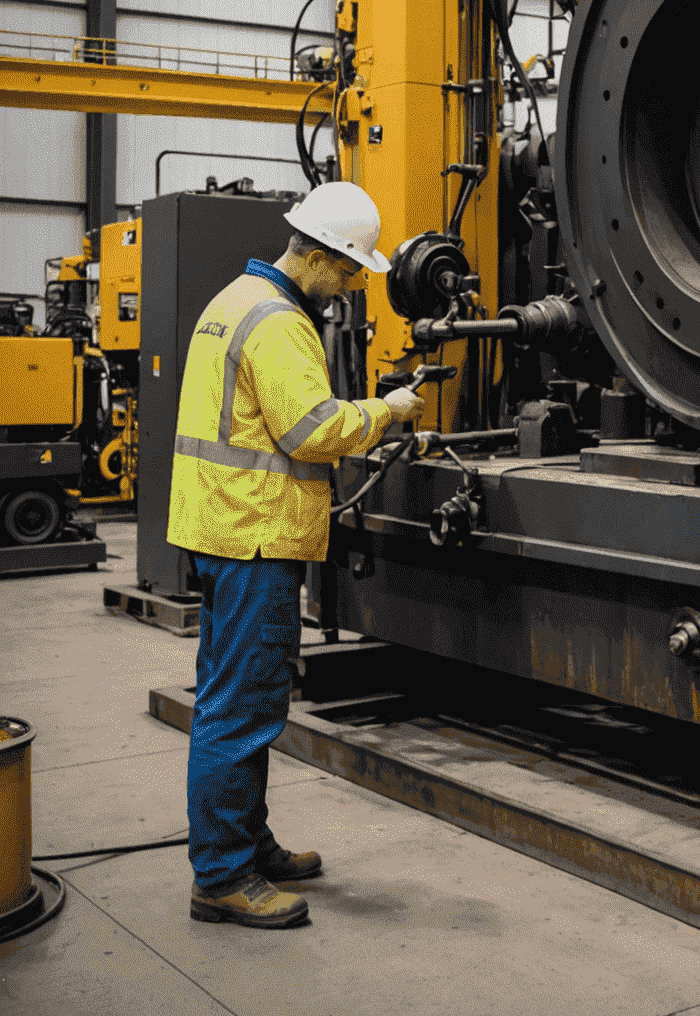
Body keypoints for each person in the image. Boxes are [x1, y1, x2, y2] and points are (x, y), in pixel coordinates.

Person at [167, 181, 425, 930]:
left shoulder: (233, 299)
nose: (348, 285)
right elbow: (311, 430)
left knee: (234, 696)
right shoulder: (279, 321)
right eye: (346, 270)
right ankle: (220, 875)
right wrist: (388, 411)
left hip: (223, 528)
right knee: (241, 709)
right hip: (254, 535)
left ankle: (245, 841)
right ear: (313, 255)